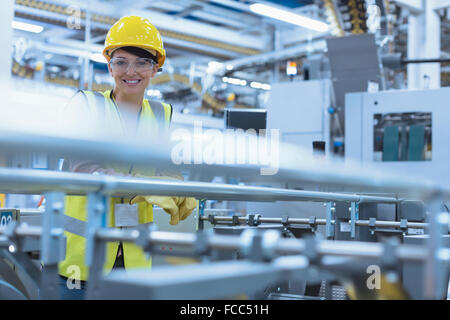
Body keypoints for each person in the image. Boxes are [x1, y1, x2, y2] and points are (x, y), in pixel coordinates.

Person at [58, 15, 197, 299]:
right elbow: (85, 169)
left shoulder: (161, 114)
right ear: (109, 66)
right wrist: (144, 187)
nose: (130, 71)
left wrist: (177, 186)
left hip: (134, 261)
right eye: (121, 61)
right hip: (81, 263)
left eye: (142, 62)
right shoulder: (85, 105)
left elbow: (165, 167)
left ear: (155, 68)